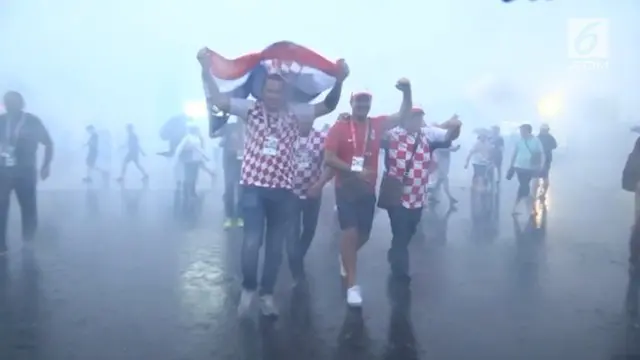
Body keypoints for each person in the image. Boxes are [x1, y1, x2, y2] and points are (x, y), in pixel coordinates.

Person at [198, 47, 348, 317]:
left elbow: (329, 106)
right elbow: (220, 101)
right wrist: (205, 70)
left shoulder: (296, 112)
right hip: (253, 187)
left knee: (276, 247)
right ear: (262, 91)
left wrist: (340, 80)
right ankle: (248, 289)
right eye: (270, 90)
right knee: (253, 240)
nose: (274, 95)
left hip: (284, 192)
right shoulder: (250, 109)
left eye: (279, 91)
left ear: (285, 93)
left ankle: (267, 295)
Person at [324, 79, 412, 307]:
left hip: (367, 190)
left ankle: (345, 256)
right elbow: (329, 158)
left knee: (363, 235)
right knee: (350, 233)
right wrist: (355, 169)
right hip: (346, 189)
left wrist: (407, 91)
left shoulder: (377, 124)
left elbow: (403, 114)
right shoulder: (339, 127)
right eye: (359, 100)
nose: (362, 104)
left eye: (366, 101)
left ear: (370, 103)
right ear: (351, 102)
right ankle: (353, 285)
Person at [382, 108, 461, 282]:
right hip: (397, 195)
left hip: (418, 197)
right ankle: (400, 270)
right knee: (400, 232)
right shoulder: (393, 135)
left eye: (420, 118)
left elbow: (449, 138)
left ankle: (395, 251)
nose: (418, 122)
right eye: (414, 118)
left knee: (411, 230)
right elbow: (372, 136)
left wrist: (456, 127)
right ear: (405, 120)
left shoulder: (427, 136)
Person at [0, 91, 53, 255]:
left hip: (26, 171)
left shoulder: (32, 121)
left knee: (29, 207)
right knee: (1, 207)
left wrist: (46, 166)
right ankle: (1, 245)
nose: (10, 105)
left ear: (22, 104)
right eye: (7, 102)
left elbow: (49, 143)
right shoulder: (1, 121)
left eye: (14, 102)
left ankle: (28, 240)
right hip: (3, 171)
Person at [286, 121, 334, 284]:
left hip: (312, 193)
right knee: (291, 232)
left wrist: (319, 185)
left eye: (308, 116)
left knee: (309, 230)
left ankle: (297, 257)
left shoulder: (322, 139)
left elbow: (330, 165)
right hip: (290, 193)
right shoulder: (287, 136)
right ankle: (296, 270)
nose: (304, 119)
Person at [212, 115, 244, 229]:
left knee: (241, 190)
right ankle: (229, 217)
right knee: (229, 188)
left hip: (243, 162)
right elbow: (213, 134)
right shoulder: (227, 127)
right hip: (230, 161)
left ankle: (240, 216)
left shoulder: (247, 127)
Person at [507, 124, 545, 215]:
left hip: (532, 167)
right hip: (520, 167)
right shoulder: (519, 141)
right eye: (520, 131)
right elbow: (514, 153)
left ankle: (517, 207)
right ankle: (529, 208)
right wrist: (511, 166)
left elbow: (541, 153)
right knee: (525, 187)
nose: (521, 133)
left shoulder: (536, 141)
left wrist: (542, 165)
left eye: (523, 131)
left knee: (524, 187)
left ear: (528, 131)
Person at [173, 122, 209, 206]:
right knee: (188, 177)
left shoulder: (197, 138)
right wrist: (176, 158)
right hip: (189, 160)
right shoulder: (187, 138)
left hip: (196, 160)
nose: (197, 130)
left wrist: (205, 156)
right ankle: (186, 194)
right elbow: (179, 148)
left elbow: (200, 149)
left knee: (194, 177)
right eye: (196, 129)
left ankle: (192, 192)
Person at [537, 123, 557, 199]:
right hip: (544, 159)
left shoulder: (538, 137)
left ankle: (541, 192)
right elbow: (554, 146)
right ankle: (542, 193)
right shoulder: (550, 137)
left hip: (541, 159)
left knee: (540, 177)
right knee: (544, 177)